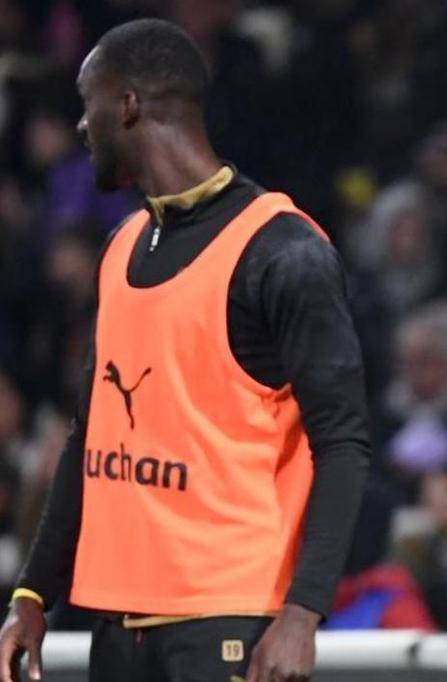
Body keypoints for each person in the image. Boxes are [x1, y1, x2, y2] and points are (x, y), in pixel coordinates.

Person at [0, 19, 370, 682]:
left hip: (229, 618)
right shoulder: (120, 246)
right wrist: (32, 593)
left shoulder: (282, 249)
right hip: (117, 623)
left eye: (88, 104)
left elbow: (343, 442)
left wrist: (303, 613)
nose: (81, 126)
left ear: (128, 105)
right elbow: (90, 435)